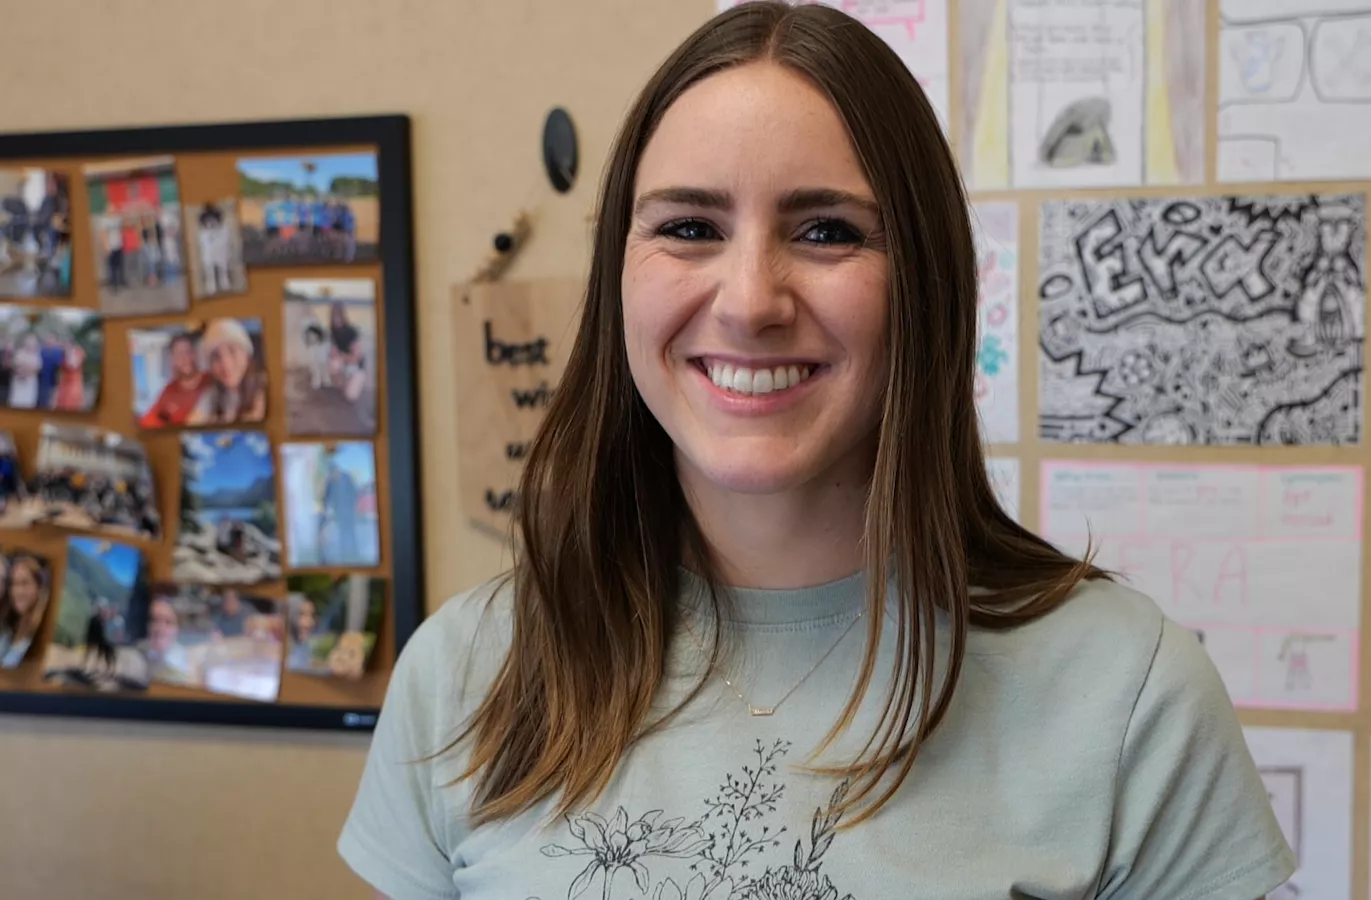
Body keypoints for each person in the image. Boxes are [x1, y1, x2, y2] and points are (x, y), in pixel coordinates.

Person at [338, 6, 1294, 900]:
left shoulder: (1131, 696)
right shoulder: (464, 673)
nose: (752, 299)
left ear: (924, 281)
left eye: (827, 230)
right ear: (618, 279)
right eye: (688, 228)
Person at [187, 318, 266, 424]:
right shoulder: (211, 396)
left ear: (247, 355)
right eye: (216, 357)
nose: (226, 365)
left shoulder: (266, 389)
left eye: (232, 350)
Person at [140, 331, 211, 428]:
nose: (184, 358)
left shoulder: (212, 381)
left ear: (195, 354)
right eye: (179, 354)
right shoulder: (169, 391)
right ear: (173, 359)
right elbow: (149, 423)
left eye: (188, 351)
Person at [0, 554, 45, 668]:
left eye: (24, 583)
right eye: (13, 584)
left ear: (38, 587)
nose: (17, 591)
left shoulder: (38, 634)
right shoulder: (10, 627)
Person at [327, 301, 368, 404]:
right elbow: (333, 353)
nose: (336, 319)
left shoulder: (351, 331)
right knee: (333, 364)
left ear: (343, 316)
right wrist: (335, 355)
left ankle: (355, 383)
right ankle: (345, 384)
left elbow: (356, 357)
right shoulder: (333, 332)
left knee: (350, 397)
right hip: (345, 364)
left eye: (338, 316)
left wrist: (341, 357)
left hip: (357, 368)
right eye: (333, 316)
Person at [195, 203, 233, 296]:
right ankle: (211, 284)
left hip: (220, 250)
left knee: (223, 265)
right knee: (208, 265)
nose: (211, 223)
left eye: (213, 220)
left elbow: (226, 241)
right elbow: (203, 245)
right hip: (209, 251)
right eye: (208, 221)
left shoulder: (224, 230)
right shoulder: (203, 233)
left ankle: (224, 282)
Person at [7, 333, 40, 409]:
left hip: (29, 383)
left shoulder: (36, 355)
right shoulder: (19, 353)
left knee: (28, 404)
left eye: (32, 342)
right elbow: (15, 364)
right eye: (28, 341)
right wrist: (22, 370)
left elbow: (36, 368)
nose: (30, 344)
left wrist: (26, 369)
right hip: (19, 382)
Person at [53, 339, 85, 411]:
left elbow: (73, 365)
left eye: (66, 345)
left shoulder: (78, 352)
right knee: (61, 404)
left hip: (74, 383)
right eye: (64, 345)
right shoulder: (63, 354)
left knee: (71, 404)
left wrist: (69, 353)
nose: (64, 347)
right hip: (64, 383)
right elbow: (60, 369)